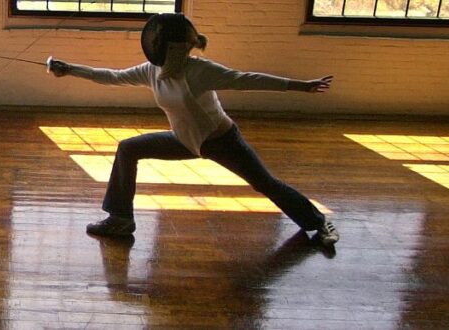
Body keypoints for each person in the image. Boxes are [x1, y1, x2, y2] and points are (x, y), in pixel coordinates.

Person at [48, 13, 339, 248]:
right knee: (129, 148)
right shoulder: (152, 71)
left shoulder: (199, 71)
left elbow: (246, 79)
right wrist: (70, 68)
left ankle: (318, 222)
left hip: (223, 141)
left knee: (266, 184)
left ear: (176, 47)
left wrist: (301, 85)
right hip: (184, 140)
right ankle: (120, 219)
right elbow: (112, 76)